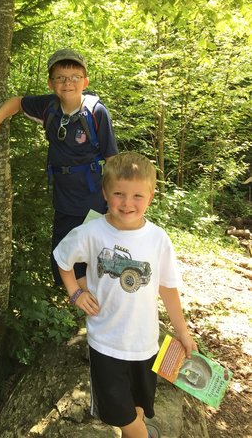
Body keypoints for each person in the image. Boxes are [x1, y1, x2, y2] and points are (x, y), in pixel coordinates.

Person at [53, 151, 198, 438]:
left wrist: (182, 332)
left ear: (151, 196)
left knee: (138, 404)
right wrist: (75, 294)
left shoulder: (158, 239)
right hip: (105, 341)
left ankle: (139, 429)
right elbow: (62, 259)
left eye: (137, 196)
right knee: (118, 412)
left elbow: (168, 288)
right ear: (105, 192)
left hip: (145, 343)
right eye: (119, 193)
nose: (127, 203)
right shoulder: (91, 232)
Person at [0, 48, 118, 286]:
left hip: (93, 198)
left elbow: (113, 161)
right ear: (51, 83)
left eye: (75, 77)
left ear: (85, 81)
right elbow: (18, 103)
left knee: (94, 257)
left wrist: (116, 201)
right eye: (61, 78)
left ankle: (96, 305)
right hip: (64, 199)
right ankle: (78, 299)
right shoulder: (49, 107)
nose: (68, 83)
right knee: (62, 256)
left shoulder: (96, 112)